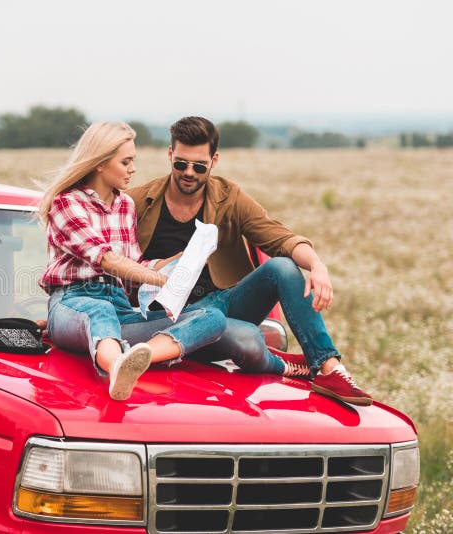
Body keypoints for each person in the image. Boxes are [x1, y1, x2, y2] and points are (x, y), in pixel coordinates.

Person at [126, 116, 372, 406]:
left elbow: (280, 238)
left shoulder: (230, 198)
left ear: (214, 161)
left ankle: (327, 367)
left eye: (199, 166)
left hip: (225, 306)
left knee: (281, 268)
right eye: (181, 164)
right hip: (168, 319)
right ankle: (284, 364)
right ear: (170, 155)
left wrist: (318, 265)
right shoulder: (138, 201)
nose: (189, 173)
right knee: (247, 339)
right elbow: (105, 256)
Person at [38, 121, 226, 401]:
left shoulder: (125, 205)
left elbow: (133, 264)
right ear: (100, 163)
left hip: (121, 310)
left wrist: (182, 260)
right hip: (73, 301)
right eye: (126, 162)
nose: (132, 169)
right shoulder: (67, 203)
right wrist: (160, 280)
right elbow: (107, 260)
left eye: (132, 161)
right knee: (99, 311)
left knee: (212, 317)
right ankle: (117, 367)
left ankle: (140, 357)